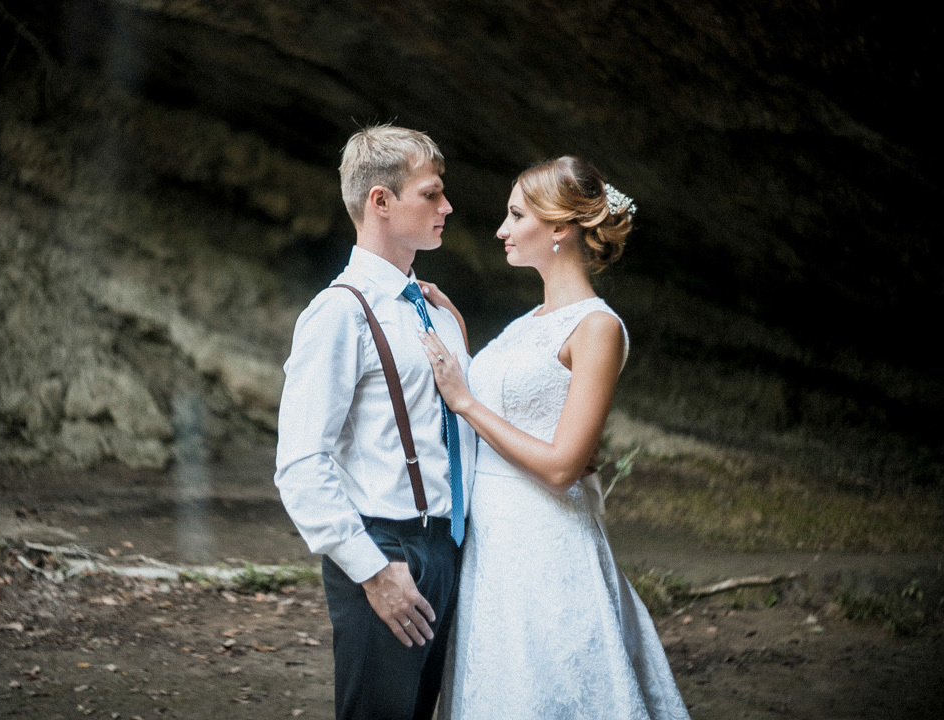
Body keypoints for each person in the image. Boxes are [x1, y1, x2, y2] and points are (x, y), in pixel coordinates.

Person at [419, 156, 691, 719]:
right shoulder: (528, 322)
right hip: (492, 538)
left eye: (516, 215)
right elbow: (513, 402)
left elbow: (565, 465)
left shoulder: (597, 327)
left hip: (543, 538)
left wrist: (463, 401)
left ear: (560, 228)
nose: (501, 229)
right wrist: (459, 337)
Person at [274, 125, 477, 720]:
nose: (447, 207)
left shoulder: (435, 309)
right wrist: (371, 570)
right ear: (380, 202)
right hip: (386, 550)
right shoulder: (339, 314)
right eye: (431, 194)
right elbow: (300, 464)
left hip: (451, 547)